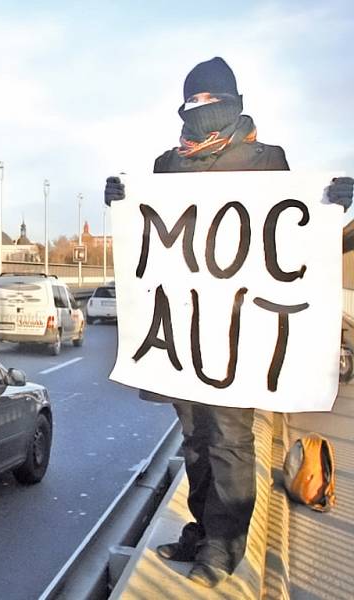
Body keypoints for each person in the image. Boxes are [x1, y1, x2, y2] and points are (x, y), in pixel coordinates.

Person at [104, 56, 353, 588]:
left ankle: (225, 545)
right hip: (184, 332)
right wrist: (122, 201)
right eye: (192, 102)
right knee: (194, 438)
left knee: (229, 439)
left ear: (233, 101)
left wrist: (331, 209)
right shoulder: (168, 164)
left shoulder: (266, 160)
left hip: (240, 331)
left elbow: (288, 239)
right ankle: (204, 526)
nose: (200, 111)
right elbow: (154, 233)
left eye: (209, 100)